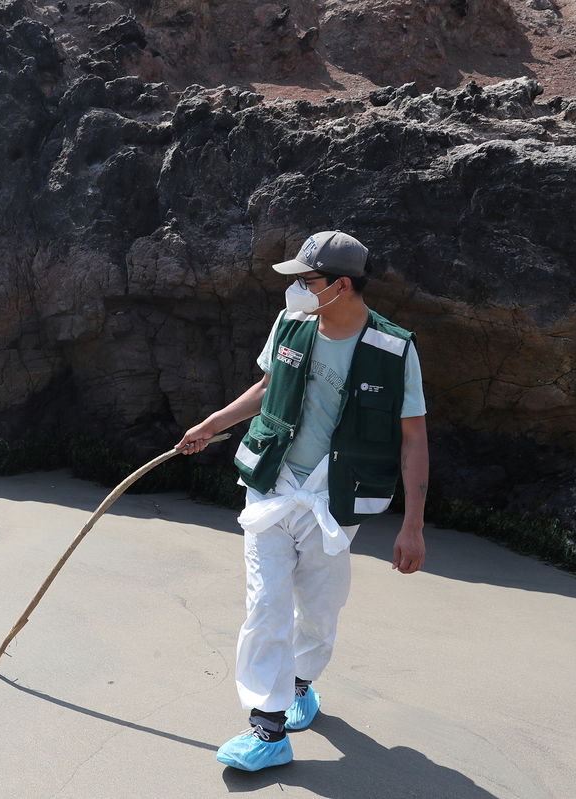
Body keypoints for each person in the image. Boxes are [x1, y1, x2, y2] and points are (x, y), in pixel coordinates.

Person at [175, 230, 429, 771]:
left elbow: (413, 437)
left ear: (340, 285)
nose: (295, 289)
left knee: (318, 610)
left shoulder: (393, 347)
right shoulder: (291, 323)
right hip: (272, 485)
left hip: (335, 498)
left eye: (306, 280)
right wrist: (212, 424)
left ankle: (301, 683)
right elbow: (268, 387)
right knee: (265, 608)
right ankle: (267, 731)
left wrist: (413, 525)